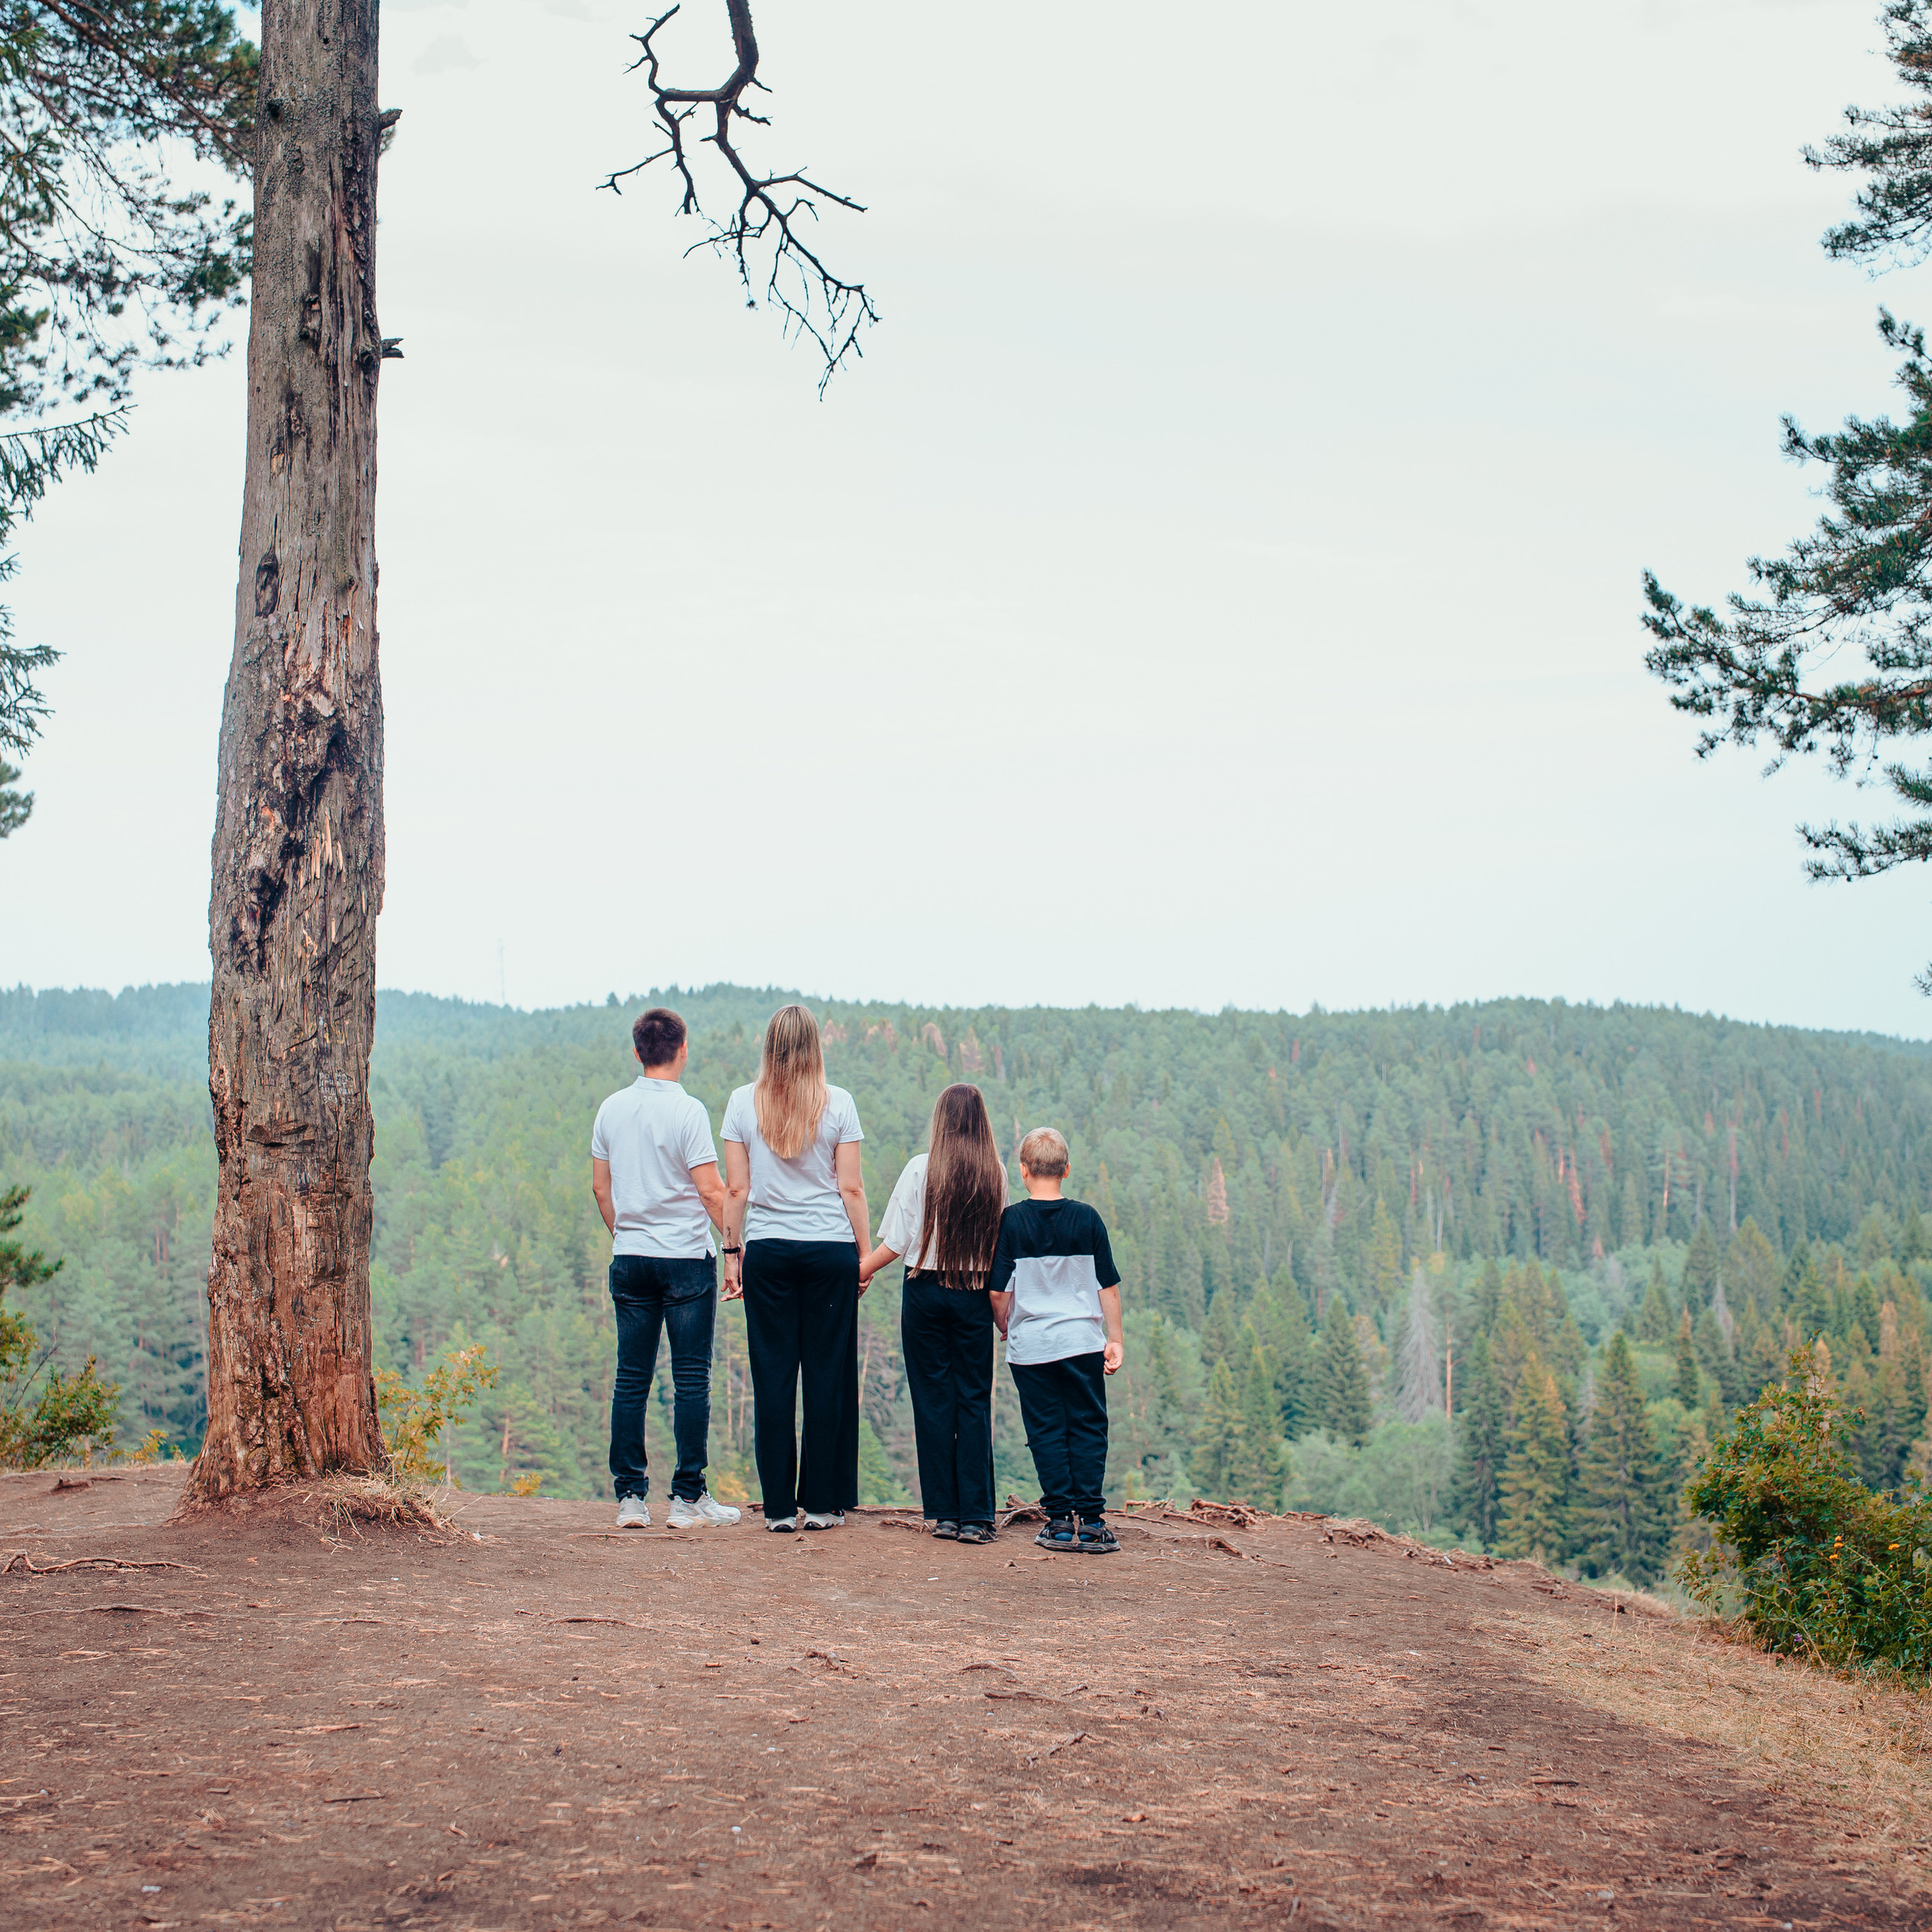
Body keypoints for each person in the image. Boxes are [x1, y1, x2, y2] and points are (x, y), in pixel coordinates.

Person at [721, 1004, 872, 1533]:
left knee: (773, 1378)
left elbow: (737, 1190)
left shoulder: (742, 1102)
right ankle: (824, 1505)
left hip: (768, 1252)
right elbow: (851, 1188)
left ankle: (780, 1509)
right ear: (815, 1045)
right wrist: (864, 1254)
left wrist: (732, 1254)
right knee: (827, 1377)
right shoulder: (839, 1103)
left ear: (769, 1045)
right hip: (829, 1249)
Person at [590, 1007, 742, 1531]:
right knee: (691, 1378)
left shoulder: (610, 1109)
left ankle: (631, 1498)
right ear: (683, 1050)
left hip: (630, 1256)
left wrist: (627, 1235)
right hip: (685, 1260)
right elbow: (711, 1191)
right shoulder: (688, 1111)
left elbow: (601, 1189)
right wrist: (733, 1251)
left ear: (637, 1052)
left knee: (631, 1378)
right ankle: (687, 1497)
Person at [860, 1084, 1008, 1546]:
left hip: (924, 1290)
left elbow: (896, 1242)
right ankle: (978, 1517)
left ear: (941, 1121)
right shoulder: (995, 1173)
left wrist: (859, 1272)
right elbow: (999, 1246)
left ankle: (944, 1514)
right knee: (973, 1399)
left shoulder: (920, 1168)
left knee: (932, 1400)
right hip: (974, 1291)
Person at [989, 1126, 1126, 1555]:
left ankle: (1060, 1523)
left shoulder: (1012, 1220)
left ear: (1024, 1171)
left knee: (1045, 1429)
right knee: (1088, 1427)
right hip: (1082, 1341)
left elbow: (997, 1291)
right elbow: (1108, 1286)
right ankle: (1093, 1523)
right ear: (1066, 1170)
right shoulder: (1088, 1218)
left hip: (1031, 1347)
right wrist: (1115, 1338)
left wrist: (1004, 1324)